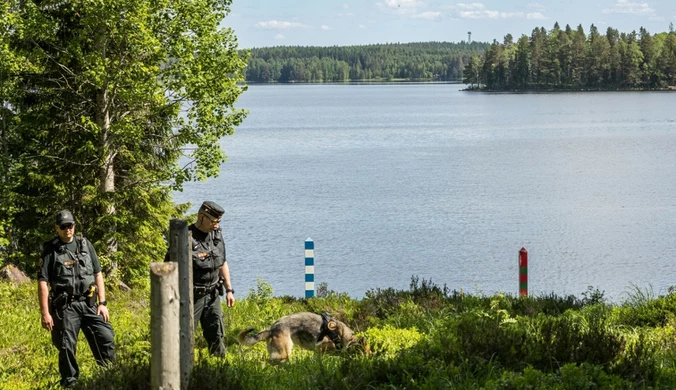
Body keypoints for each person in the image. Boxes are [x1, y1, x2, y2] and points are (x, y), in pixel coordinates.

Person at [37, 210, 116, 388]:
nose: (67, 229)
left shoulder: (85, 244)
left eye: (70, 225)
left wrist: (102, 303)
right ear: (57, 228)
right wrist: (45, 313)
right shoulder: (51, 250)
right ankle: (70, 383)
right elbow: (42, 283)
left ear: (74, 225)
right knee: (66, 347)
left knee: (106, 337)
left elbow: (97, 273)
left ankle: (109, 376)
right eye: (63, 226)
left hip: (89, 303)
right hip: (66, 307)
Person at [186, 200, 235, 356]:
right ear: (201, 217)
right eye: (213, 221)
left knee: (216, 334)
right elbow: (171, 268)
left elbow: (222, 262)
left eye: (218, 222)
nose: (216, 225)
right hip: (192, 297)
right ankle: (185, 371)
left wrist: (229, 290)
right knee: (185, 335)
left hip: (213, 294)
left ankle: (220, 369)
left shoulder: (217, 235)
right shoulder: (186, 238)